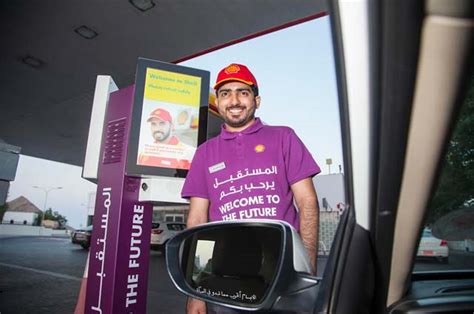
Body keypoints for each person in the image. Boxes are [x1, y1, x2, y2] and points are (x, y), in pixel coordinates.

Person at [181, 63, 321, 314]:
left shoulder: (283, 137)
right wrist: (196, 291)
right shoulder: (204, 153)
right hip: (224, 279)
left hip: (282, 273)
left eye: (242, 92)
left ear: (257, 100)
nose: (233, 100)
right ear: (218, 102)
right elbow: (197, 220)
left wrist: (308, 268)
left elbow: (307, 202)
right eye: (225, 93)